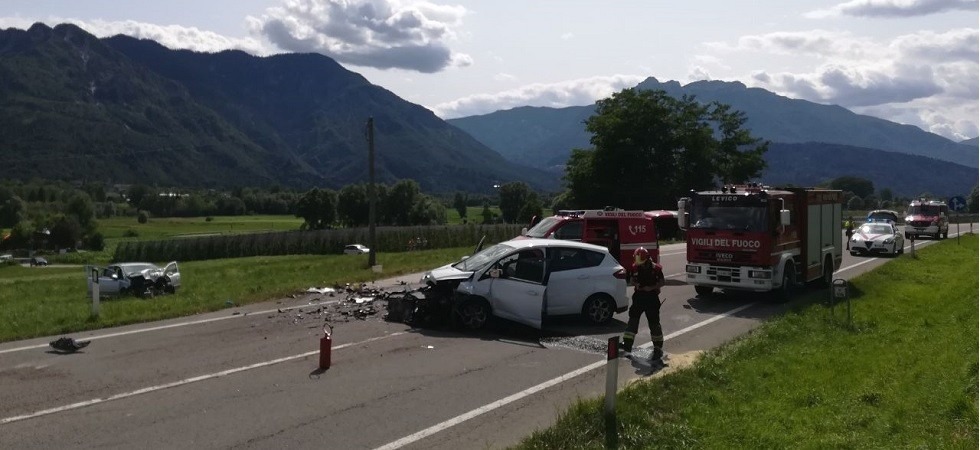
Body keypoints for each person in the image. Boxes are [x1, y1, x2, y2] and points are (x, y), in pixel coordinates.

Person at [619, 247, 667, 362]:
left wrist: (651, 287)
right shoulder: (635, 267)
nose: (638, 262)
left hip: (651, 298)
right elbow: (631, 280)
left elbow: (662, 282)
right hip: (639, 297)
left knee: (654, 323)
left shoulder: (656, 268)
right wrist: (636, 284)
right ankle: (627, 343)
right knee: (633, 320)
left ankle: (657, 348)